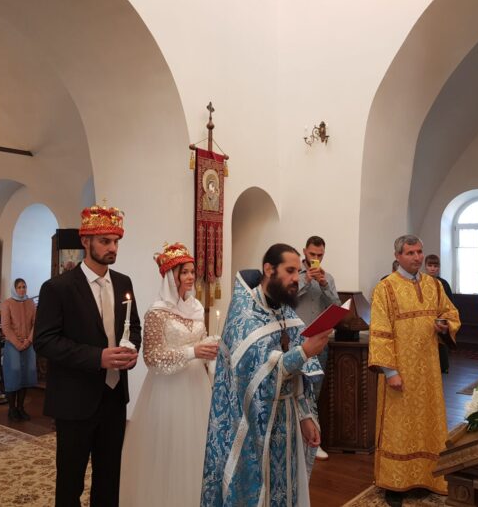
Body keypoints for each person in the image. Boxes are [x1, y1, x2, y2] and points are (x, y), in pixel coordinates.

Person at [201, 243, 331, 506]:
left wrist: (305, 415)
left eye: (297, 271)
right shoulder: (244, 316)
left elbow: (299, 372)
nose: (296, 279)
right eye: (289, 271)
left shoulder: (284, 310)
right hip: (251, 426)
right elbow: (257, 375)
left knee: (286, 489)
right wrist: (305, 351)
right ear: (269, 269)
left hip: (287, 420)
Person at [34, 203, 141, 507]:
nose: (112, 248)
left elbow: (133, 326)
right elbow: (45, 341)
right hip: (75, 399)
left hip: (114, 396)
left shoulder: (123, 282)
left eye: (115, 241)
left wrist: (132, 349)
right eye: (105, 241)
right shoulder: (58, 287)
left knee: (109, 477)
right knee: (71, 481)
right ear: (86, 241)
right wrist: (98, 357)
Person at [120, 243, 218, 506]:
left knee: (196, 446)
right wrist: (193, 351)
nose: (190, 277)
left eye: (192, 272)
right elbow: (152, 357)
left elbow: (200, 344)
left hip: (197, 386)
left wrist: (210, 348)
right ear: (170, 276)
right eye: (184, 272)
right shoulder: (157, 312)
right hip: (168, 389)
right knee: (169, 449)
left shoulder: (196, 307)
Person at [369, 235, 460, 507]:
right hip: (401, 370)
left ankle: (427, 476)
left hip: (429, 369)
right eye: (410, 253)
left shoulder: (434, 285)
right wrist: (390, 372)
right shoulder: (385, 288)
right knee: (399, 425)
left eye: (419, 252)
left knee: (428, 422)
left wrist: (445, 326)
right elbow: (380, 332)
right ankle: (395, 483)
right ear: (398, 256)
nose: (417, 257)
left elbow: (451, 313)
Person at [295, 235, 340, 462]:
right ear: (305, 252)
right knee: (295, 390)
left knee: (315, 390)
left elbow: (336, 306)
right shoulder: (295, 274)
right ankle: (296, 439)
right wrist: (306, 281)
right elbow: (287, 300)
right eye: (312, 254)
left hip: (319, 342)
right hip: (296, 342)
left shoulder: (328, 278)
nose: (316, 259)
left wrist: (323, 285)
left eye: (320, 255)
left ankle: (314, 441)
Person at [1, 278, 38, 421]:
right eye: (19, 287)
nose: (22, 289)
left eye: (24, 287)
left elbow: (36, 323)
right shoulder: (7, 303)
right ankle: (12, 409)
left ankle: (21, 408)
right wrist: (18, 343)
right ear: (14, 289)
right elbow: (6, 327)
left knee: (26, 375)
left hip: (28, 344)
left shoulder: (30, 303)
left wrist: (28, 340)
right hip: (13, 344)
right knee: (13, 374)